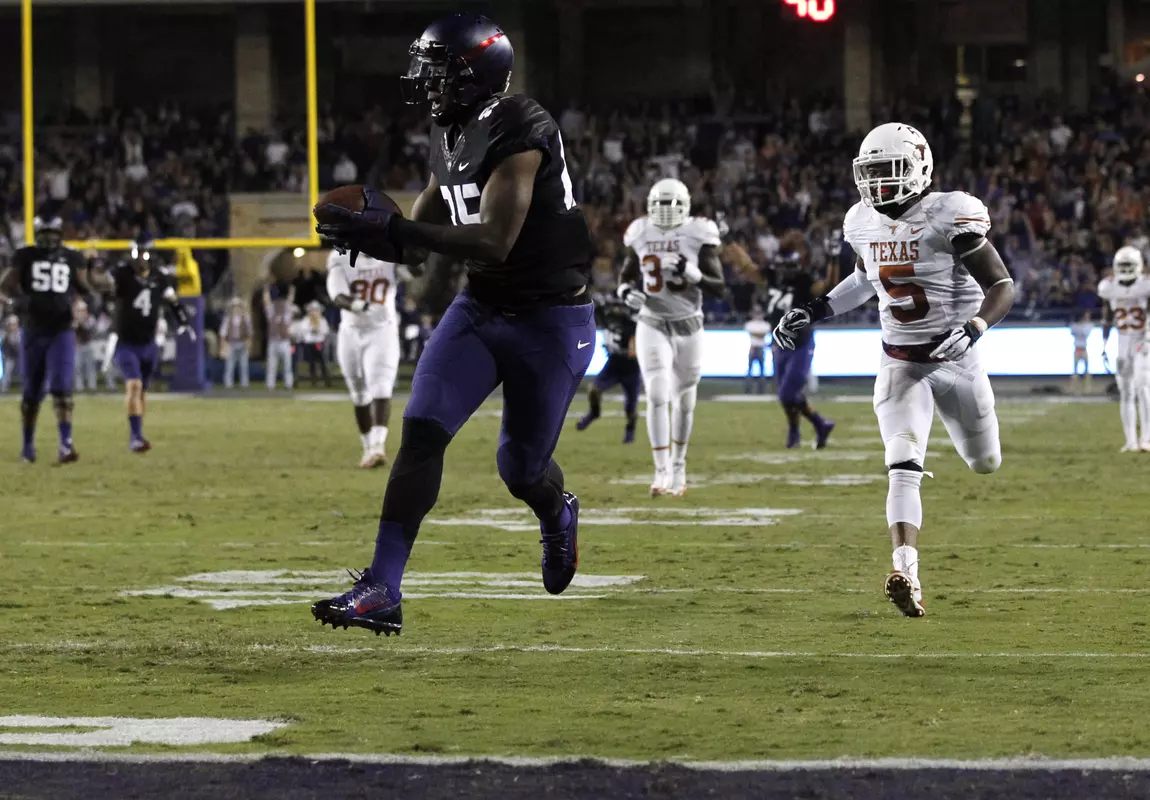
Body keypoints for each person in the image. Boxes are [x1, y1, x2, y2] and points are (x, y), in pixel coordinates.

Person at [311, 12, 594, 635]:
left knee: (520, 469)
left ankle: (556, 508)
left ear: (474, 73)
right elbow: (415, 243)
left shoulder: (521, 124)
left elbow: (495, 239)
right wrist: (367, 233)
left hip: (550, 321)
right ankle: (383, 588)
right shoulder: (449, 131)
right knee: (420, 432)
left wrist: (396, 230)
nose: (424, 82)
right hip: (482, 308)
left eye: (436, 71)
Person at [773, 122, 1014, 618]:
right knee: (902, 466)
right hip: (900, 364)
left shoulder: (949, 214)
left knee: (985, 461)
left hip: (958, 359)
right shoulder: (861, 221)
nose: (880, 184)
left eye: (891, 172)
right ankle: (906, 570)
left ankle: (911, 563)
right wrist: (814, 309)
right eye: (872, 173)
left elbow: (1002, 285)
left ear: (920, 167)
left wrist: (975, 327)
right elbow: (865, 280)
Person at [615, 179, 726, 496]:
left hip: (689, 324)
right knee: (658, 393)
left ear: (685, 206)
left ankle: (679, 467)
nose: (665, 212)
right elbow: (626, 275)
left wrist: (693, 274)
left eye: (671, 204)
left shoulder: (698, 232)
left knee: (685, 400)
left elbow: (718, 287)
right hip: (652, 321)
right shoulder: (640, 232)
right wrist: (625, 292)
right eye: (660, 204)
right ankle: (661, 471)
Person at [0, 217, 93, 463]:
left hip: (61, 329)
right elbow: (4, 287)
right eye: (46, 233)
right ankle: (28, 447)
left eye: (53, 233)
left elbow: (84, 287)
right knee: (32, 392)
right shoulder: (25, 256)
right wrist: (14, 304)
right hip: (33, 329)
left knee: (62, 389)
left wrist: (88, 300)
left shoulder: (73, 258)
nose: (50, 238)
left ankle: (65, 445)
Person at [106, 237, 192, 452]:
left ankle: (139, 433)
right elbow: (106, 284)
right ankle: (135, 437)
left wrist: (181, 319)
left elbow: (172, 300)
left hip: (148, 342)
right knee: (133, 385)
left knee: (142, 391)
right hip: (126, 342)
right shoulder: (122, 274)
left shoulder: (159, 277)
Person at [326, 248, 408, 468]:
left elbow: (416, 272)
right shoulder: (340, 257)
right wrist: (362, 306)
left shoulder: (389, 256)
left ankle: (378, 446)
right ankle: (368, 447)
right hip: (351, 331)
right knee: (359, 393)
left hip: (382, 329)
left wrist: (410, 253)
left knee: (381, 387)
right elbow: (337, 294)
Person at [765, 256, 835, 448]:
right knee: (789, 395)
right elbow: (747, 268)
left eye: (788, 268)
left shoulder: (804, 285)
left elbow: (827, 286)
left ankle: (812, 425)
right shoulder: (773, 283)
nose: (784, 272)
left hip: (801, 343)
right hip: (780, 343)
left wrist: (833, 259)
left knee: (787, 393)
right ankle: (817, 426)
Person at [1099, 247, 1150, 451]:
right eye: (1123, 265)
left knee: (1143, 388)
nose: (1127, 269)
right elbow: (1106, 316)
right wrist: (1103, 344)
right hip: (1122, 342)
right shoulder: (1109, 287)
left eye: (1130, 265)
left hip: (1142, 340)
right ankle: (1130, 441)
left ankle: (1146, 438)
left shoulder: (1145, 285)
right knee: (1126, 392)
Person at [575, 298, 640, 443]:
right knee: (594, 390)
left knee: (631, 406)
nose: (617, 310)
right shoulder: (606, 318)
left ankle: (630, 431)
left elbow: (633, 352)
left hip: (631, 368)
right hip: (614, 364)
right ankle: (594, 413)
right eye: (615, 306)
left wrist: (620, 349)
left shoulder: (632, 325)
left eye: (620, 306)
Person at [263, 283, 295, 390]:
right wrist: (266, 291)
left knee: (287, 365)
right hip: (273, 341)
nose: (279, 304)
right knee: (272, 365)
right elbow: (267, 302)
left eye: (281, 302)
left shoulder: (286, 313)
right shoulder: (271, 312)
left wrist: (291, 292)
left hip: (284, 342)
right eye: (277, 302)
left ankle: (288, 384)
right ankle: (270, 385)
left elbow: (290, 302)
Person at [219, 297, 252, 389]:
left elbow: (249, 333)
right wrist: (222, 346)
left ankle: (244, 383)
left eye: (238, 306)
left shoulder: (245, 318)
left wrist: (248, 344)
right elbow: (223, 333)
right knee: (230, 365)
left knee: (243, 365)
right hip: (231, 343)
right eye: (234, 307)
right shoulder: (227, 319)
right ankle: (228, 383)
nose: (236, 308)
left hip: (242, 343)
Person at [298, 300, 331, 387]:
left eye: (316, 310)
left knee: (323, 362)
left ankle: (326, 381)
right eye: (312, 310)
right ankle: (313, 381)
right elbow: (303, 330)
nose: (314, 312)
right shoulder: (306, 320)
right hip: (310, 344)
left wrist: (318, 330)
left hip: (319, 343)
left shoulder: (322, 320)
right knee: (311, 363)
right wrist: (311, 329)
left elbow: (326, 331)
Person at [73, 298, 99, 393]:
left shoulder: (90, 319)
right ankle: (79, 387)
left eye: (82, 310)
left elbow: (90, 329)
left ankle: (92, 387)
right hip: (77, 345)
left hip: (88, 344)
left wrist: (82, 322)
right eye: (79, 310)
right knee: (77, 367)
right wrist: (77, 321)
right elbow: (72, 330)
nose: (81, 312)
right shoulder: (73, 319)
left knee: (90, 367)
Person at [744, 308, 770, 395]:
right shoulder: (750, 324)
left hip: (761, 348)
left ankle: (761, 391)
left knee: (762, 371)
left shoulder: (765, 324)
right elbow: (756, 333)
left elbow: (763, 334)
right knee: (750, 370)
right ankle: (748, 390)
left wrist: (756, 334)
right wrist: (758, 334)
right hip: (753, 348)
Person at [1069, 309, 1092, 394]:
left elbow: (1085, 333)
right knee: (1075, 370)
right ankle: (1074, 389)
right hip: (1077, 348)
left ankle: (1087, 388)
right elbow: (1073, 331)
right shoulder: (1075, 325)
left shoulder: (1088, 325)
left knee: (1086, 370)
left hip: (1083, 348)